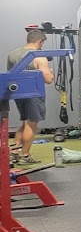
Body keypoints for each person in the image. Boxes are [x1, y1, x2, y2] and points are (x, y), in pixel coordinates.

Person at [6, 30, 54, 165]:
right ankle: (25, 155)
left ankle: (15, 152)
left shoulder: (12, 54)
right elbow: (48, 80)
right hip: (34, 94)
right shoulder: (39, 57)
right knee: (31, 124)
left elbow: (10, 75)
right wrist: (51, 72)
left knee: (24, 123)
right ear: (39, 41)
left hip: (18, 93)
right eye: (42, 43)